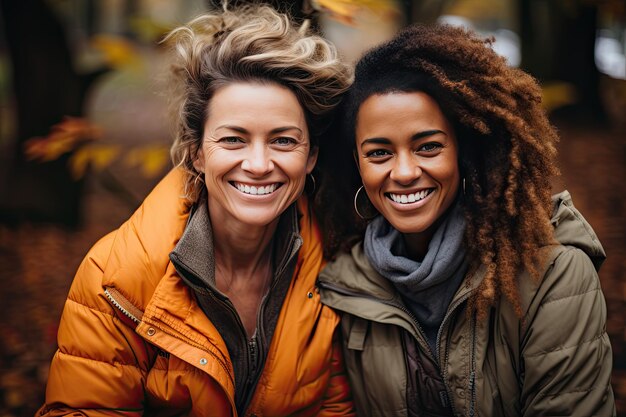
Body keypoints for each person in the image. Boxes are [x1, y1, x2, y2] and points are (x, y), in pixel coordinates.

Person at [38, 4, 355, 416]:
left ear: (310, 157)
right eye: (233, 140)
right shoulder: (117, 277)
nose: (258, 164)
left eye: (283, 141)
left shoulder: (330, 267)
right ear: (196, 154)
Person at [316, 24, 615, 417]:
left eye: (428, 147)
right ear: (357, 163)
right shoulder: (343, 286)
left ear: (464, 150)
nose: (404, 172)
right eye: (379, 153)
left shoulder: (552, 274)